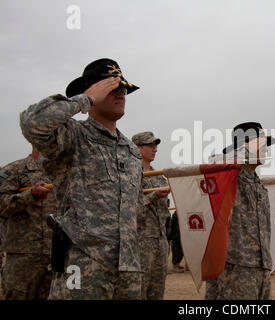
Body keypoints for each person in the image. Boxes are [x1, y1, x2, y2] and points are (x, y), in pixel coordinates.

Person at [19, 58, 143, 299]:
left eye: (123, 88)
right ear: (93, 90)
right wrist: (84, 99)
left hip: (128, 268)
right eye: (112, 87)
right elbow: (31, 123)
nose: (121, 93)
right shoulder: (73, 136)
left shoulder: (132, 151)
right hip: (83, 263)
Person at [215, 122, 275, 300]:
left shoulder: (258, 183)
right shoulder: (230, 175)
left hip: (262, 266)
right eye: (263, 145)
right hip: (238, 267)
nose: (267, 150)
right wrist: (242, 150)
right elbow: (215, 161)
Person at [0, 147, 56, 299]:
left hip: (56, 257)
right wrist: (30, 195)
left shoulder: (62, 172)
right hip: (23, 257)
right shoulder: (14, 170)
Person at [133, 131, 171, 300]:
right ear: (137, 148)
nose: (155, 149)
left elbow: (164, 213)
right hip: (140, 241)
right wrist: (154, 195)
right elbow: (129, 209)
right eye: (150, 145)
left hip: (161, 242)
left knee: (157, 291)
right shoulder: (131, 175)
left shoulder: (159, 177)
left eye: (155, 146)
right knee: (139, 290)